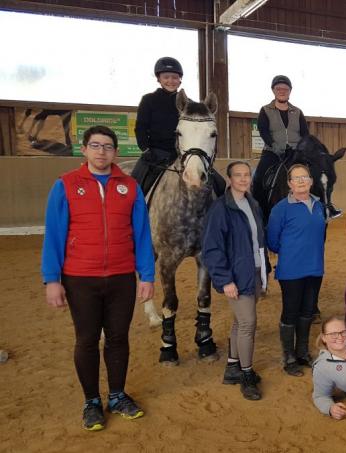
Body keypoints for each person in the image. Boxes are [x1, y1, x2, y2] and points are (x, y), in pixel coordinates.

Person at [41, 125, 155, 431]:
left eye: (107, 146)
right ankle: (91, 401)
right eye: (95, 145)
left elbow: (142, 235)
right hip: (80, 278)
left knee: (118, 338)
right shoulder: (65, 185)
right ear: (85, 149)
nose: (101, 151)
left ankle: (117, 395)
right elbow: (54, 234)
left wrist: (147, 275)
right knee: (87, 339)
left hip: (121, 277)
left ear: (115, 152)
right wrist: (52, 279)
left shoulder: (129, 187)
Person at [202, 161, 267, 401]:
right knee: (248, 323)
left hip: (254, 271)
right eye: (237, 175)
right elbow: (212, 248)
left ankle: (232, 366)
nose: (243, 179)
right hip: (236, 277)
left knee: (240, 322)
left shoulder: (253, 204)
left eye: (246, 175)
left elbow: (258, 241)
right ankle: (246, 374)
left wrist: (264, 270)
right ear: (229, 179)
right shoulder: (220, 208)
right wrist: (225, 280)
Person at [131, 56, 225, 199]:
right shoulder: (149, 100)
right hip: (157, 153)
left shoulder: (191, 105)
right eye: (166, 77)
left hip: (184, 154)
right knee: (135, 184)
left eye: (175, 77)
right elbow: (141, 128)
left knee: (220, 183)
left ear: (180, 79)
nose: (170, 81)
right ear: (159, 79)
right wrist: (146, 149)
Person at [253, 75, 341, 221]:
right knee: (258, 178)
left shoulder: (297, 112)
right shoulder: (265, 110)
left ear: (290, 91)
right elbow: (263, 131)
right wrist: (274, 145)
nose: (282, 91)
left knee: (318, 176)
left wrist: (304, 149)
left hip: (296, 153)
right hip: (272, 152)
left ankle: (326, 207)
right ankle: (260, 213)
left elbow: (305, 134)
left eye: (285, 89)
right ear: (273, 90)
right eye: (278, 88)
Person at [267, 163, 326, 377]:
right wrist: (292, 253)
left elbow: (321, 236)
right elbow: (272, 241)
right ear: (290, 183)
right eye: (296, 178)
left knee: (307, 312)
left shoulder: (319, 206)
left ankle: (302, 352)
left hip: (315, 269)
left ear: (311, 181)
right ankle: (288, 356)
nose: (301, 181)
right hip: (291, 271)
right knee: (291, 312)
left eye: (305, 178)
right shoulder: (280, 209)